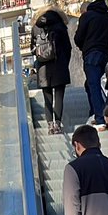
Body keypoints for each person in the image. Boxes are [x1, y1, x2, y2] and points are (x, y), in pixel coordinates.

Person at [74, 0, 108, 129]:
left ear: (84, 10)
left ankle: (101, 117)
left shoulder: (86, 17)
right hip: (106, 55)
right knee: (91, 85)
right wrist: (106, 36)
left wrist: (86, 44)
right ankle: (95, 112)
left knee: (94, 86)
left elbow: (78, 38)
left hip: (91, 55)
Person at [31, 7, 72, 135]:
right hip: (59, 65)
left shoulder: (36, 28)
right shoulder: (60, 26)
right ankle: (58, 125)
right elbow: (68, 47)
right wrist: (64, 62)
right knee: (59, 97)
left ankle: (50, 126)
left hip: (43, 68)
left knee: (47, 98)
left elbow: (32, 48)